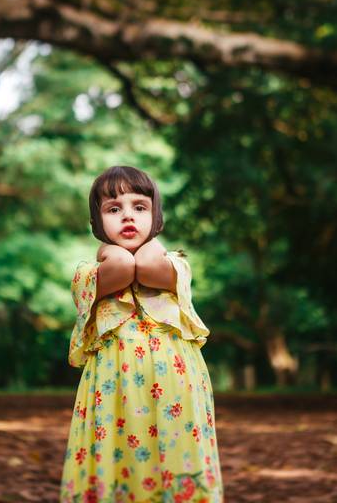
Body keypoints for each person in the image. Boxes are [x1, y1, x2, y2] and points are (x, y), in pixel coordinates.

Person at [60, 166, 223, 502]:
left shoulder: (175, 264)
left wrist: (151, 239)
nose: (127, 216)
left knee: (177, 459)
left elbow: (146, 267)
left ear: (156, 217)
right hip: (114, 387)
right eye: (113, 209)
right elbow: (122, 268)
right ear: (97, 223)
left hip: (176, 392)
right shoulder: (88, 275)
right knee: (118, 458)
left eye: (140, 207)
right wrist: (109, 250)